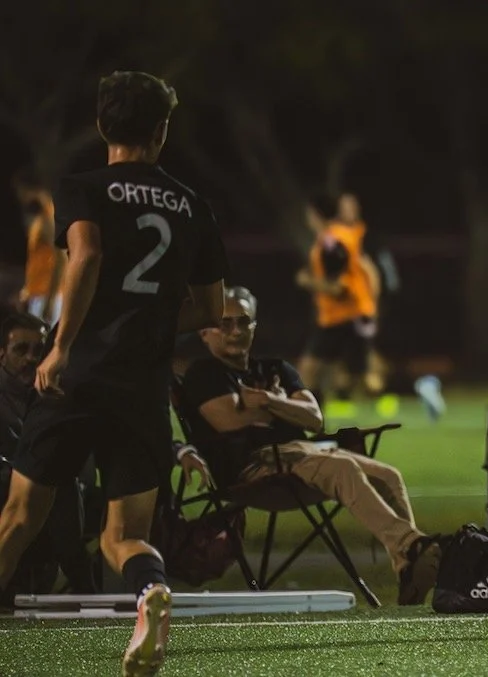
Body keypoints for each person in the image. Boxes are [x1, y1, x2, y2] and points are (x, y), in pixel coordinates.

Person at [0, 71, 227, 676]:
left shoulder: (82, 187)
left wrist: (64, 345)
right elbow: (211, 310)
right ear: (161, 132)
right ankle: (149, 591)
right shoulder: (193, 205)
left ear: (103, 125)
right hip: (143, 385)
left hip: (79, 377)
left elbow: (90, 253)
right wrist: (147, 321)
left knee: (21, 515)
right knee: (122, 534)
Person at [179, 286, 441, 605]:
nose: (235, 331)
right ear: (206, 333)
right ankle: (413, 544)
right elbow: (231, 423)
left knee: (388, 476)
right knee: (342, 467)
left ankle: (407, 570)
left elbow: (314, 418)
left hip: (304, 456)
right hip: (255, 468)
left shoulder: (277, 368)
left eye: (243, 322)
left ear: (254, 327)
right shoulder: (202, 374)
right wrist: (286, 407)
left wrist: (265, 402)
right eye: (225, 324)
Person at [0, 313, 95, 596]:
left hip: (46, 491)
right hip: (10, 487)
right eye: (21, 350)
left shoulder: (58, 395)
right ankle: (81, 580)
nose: (31, 358)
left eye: (39, 351)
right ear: (2, 353)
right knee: (51, 480)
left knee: (53, 479)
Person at [295, 196, 381, 419]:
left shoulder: (333, 240)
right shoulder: (336, 236)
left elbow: (338, 288)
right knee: (313, 370)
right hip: (341, 316)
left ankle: (423, 389)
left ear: (316, 215)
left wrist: (308, 281)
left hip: (346, 315)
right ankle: (315, 420)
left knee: (362, 376)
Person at [12, 171, 64, 325]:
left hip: (45, 296)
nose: (21, 197)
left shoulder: (48, 220)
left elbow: (61, 258)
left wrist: (51, 299)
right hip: (38, 294)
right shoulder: (42, 218)